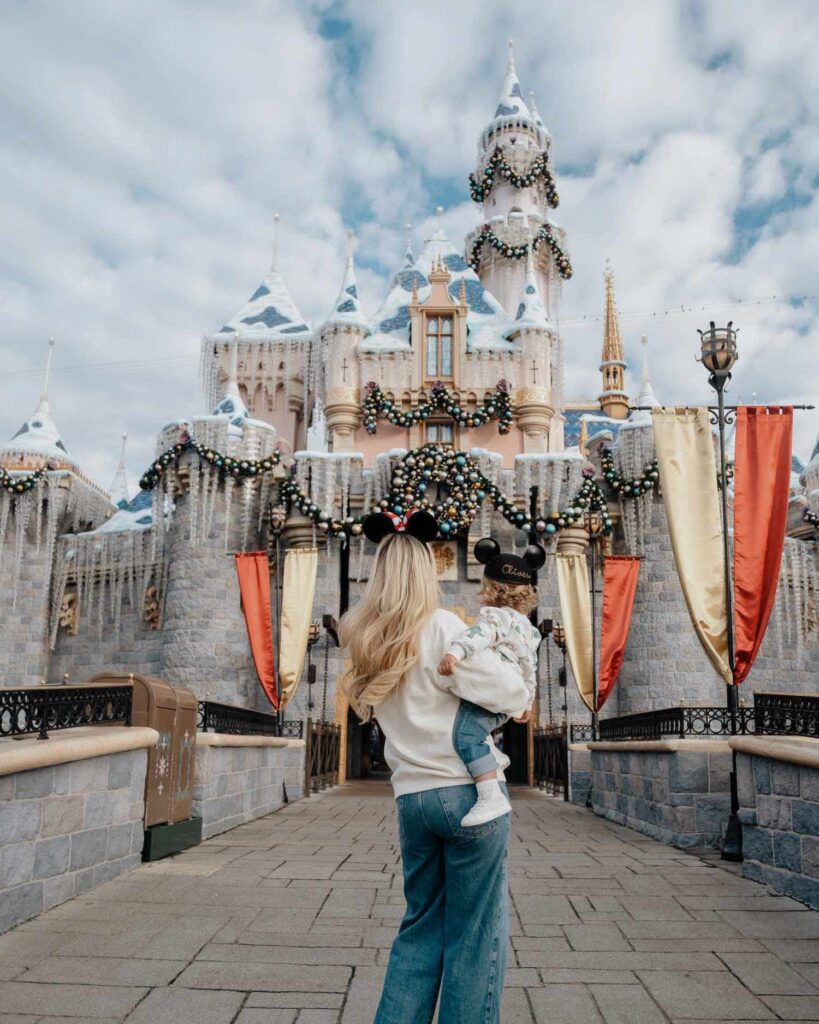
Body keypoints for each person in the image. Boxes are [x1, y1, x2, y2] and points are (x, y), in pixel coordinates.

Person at [339, 509, 532, 1024]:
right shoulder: (444, 626)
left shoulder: (365, 638)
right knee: (474, 935)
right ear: (427, 571)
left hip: (413, 800)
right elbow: (510, 693)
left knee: (420, 925)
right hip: (469, 793)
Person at [437, 539, 543, 826]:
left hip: (495, 689)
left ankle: (489, 795)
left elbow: (478, 636)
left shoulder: (496, 617)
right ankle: (492, 756)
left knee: (465, 737)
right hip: (512, 696)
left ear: (491, 588)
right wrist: (527, 704)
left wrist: (453, 653)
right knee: (479, 730)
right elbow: (530, 669)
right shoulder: (530, 631)